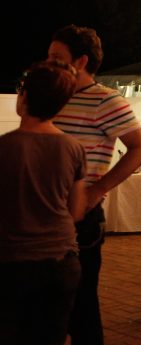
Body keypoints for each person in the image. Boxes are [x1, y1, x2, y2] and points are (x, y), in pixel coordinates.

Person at [48, 24, 141, 345]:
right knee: (53, 306)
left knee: (82, 307)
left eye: (56, 57)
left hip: (80, 217)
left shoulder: (105, 101)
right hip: (49, 215)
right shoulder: (56, 96)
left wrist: (98, 189)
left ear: (79, 61)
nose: (48, 62)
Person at [0, 61, 86, 345]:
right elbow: (76, 210)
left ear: (23, 97)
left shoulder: (5, 147)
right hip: (59, 261)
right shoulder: (73, 148)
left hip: (11, 263)